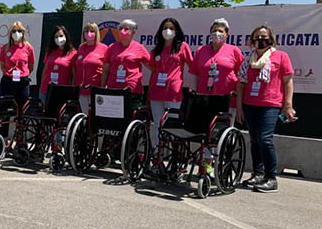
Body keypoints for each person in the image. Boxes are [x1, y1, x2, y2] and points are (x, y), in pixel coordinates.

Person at [236, 25, 296, 193]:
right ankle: (258, 173)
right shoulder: (248, 59)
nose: (260, 40)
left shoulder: (281, 56)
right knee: (254, 140)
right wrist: (239, 107)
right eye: (257, 37)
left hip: (270, 104)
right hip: (250, 104)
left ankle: (271, 178)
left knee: (265, 139)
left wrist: (288, 104)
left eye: (264, 37)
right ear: (252, 40)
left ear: (270, 39)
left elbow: (288, 81)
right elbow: (241, 84)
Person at [188, 18, 244, 125]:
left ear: (226, 35)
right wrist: (193, 97)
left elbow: (242, 75)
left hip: (227, 99)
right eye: (214, 31)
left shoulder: (234, 50)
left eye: (220, 31)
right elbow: (194, 74)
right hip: (203, 97)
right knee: (204, 128)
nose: (217, 33)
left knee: (223, 129)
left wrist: (239, 100)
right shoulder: (201, 50)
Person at [148, 17, 193, 146]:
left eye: (171, 28)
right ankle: (157, 151)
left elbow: (192, 66)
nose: (168, 30)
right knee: (157, 123)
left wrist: (193, 86)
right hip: (156, 91)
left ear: (176, 31)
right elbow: (153, 71)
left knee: (171, 122)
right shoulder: (156, 50)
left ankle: (172, 152)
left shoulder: (183, 47)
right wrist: (149, 91)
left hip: (173, 91)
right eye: (165, 28)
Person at [101, 19, 150, 110]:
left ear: (133, 32)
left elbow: (151, 67)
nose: (122, 31)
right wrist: (102, 87)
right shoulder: (112, 47)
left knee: (130, 115)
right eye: (120, 28)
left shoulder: (139, 48)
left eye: (126, 29)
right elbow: (105, 70)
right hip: (113, 88)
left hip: (132, 89)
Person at [0, 21, 35, 137]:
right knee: (6, 110)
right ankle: (3, 136)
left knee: (21, 111)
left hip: (22, 83)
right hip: (8, 82)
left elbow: (31, 66)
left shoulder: (28, 47)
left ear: (23, 32)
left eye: (19, 31)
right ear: (10, 33)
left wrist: (22, 74)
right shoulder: (5, 48)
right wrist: (9, 74)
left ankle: (19, 137)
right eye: (14, 31)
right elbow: (2, 66)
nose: (16, 33)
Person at [39, 25, 77, 105]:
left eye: (61, 36)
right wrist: (42, 86)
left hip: (62, 92)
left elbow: (74, 75)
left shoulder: (73, 53)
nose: (58, 38)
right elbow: (45, 70)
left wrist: (71, 91)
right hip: (45, 90)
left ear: (66, 36)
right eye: (56, 37)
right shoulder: (50, 51)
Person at [75, 22, 107, 113]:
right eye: (86, 31)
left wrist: (103, 87)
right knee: (85, 114)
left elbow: (106, 69)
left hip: (96, 89)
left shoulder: (104, 48)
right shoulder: (81, 47)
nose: (89, 33)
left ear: (96, 33)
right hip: (81, 90)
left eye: (92, 31)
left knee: (95, 115)